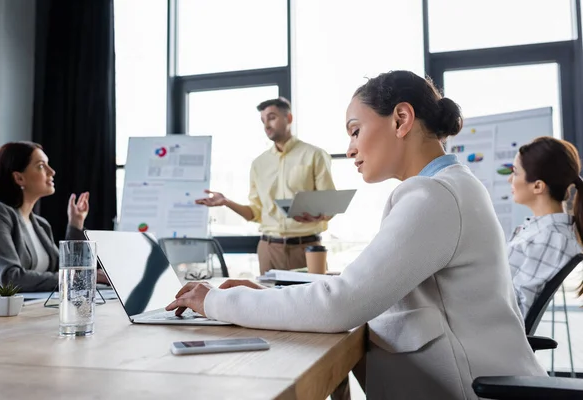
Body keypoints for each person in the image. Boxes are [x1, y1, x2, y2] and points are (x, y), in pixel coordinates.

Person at [167, 71, 546, 399]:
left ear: (401, 119)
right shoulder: (452, 186)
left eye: (355, 131)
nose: (349, 150)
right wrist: (265, 298)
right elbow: (360, 290)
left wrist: (216, 302)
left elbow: (341, 303)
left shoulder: (435, 195)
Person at [195, 97, 336, 274]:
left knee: (314, 301)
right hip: (269, 250)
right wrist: (226, 202)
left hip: (307, 248)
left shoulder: (315, 155)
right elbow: (255, 213)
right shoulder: (259, 164)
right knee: (269, 301)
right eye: (263, 120)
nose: (266, 125)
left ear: (289, 118)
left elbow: (329, 206)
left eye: (272, 117)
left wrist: (318, 215)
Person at [0, 141, 107, 292]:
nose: (52, 172)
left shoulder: (41, 224)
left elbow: (65, 269)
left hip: (39, 308)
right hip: (2, 313)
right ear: (19, 178)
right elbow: (10, 277)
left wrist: (76, 224)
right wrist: (84, 277)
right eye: (41, 166)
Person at [507, 136, 583, 318]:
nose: (510, 179)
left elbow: (515, 312)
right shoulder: (541, 231)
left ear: (538, 186)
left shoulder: (550, 238)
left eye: (516, 172)